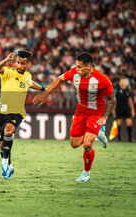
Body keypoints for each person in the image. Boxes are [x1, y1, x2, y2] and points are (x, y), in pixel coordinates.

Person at [33, 52, 115, 182]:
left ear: (88, 67)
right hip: (80, 111)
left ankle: (86, 173)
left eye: (79, 67)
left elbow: (112, 100)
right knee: (74, 144)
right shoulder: (74, 74)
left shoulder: (102, 79)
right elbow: (60, 79)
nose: (76, 69)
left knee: (87, 144)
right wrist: (46, 93)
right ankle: (99, 132)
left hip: (96, 112)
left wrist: (104, 117)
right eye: (76, 66)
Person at [0, 50, 46, 179]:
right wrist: (6, 60)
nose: (19, 65)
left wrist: (43, 89)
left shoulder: (27, 75)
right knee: (2, 144)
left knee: (8, 131)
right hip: (1, 111)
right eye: (18, 62)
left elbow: (30, 83)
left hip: (16, 112)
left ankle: (4, 162)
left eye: (23, 63)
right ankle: (9, 166)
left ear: (28, 63)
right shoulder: (8, 71)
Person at [114, 77, 135, 142]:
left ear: (126, 83)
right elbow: (114, 100)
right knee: (118, 123)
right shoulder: (116, 90)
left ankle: (130, 138)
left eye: (124, 82)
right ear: (119, 83)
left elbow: (130, 100)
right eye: (122, 81)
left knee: (129, 123)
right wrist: (113, 109)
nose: (123, 83)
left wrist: (132, 110)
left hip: (127, 109)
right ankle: (119, 139)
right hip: (119, 109)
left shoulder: (128, 90)